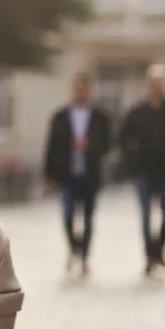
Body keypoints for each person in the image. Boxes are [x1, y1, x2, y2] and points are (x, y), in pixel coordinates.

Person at [119, 64, 165, 276]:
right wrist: (132, 163)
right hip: (144, 171)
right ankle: (150, 255)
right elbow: (124, 139)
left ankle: (159, 250)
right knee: (146, 216)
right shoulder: (138, 112)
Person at [43, 71, 111, 275]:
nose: (81, 92)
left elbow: (107, 143)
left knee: (89, 218)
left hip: (89, 174)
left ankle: (84, 255)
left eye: (84, 88)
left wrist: (91, 146)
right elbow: (52, 146)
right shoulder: (61, 117)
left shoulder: (99, 117)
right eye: (78, 88)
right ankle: (74, 248)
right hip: (67, 175)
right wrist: (49, 175)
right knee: (68, 215)